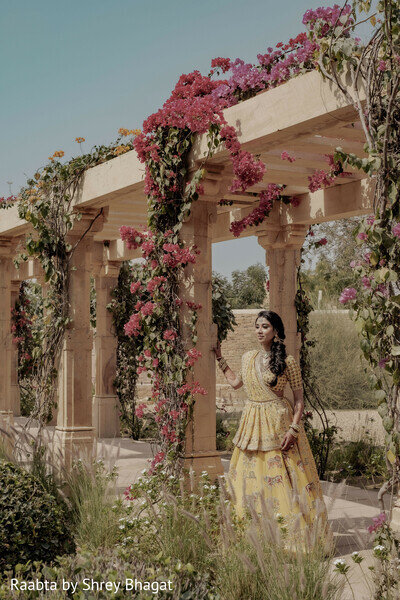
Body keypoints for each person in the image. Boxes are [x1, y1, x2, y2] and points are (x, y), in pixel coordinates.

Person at [213, 310, 332, 551]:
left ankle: (290, 541)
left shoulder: (288, 361)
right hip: (252, 423)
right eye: (257, 326)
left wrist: (294, 429)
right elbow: (236, 384)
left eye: (265, 326)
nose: (259, 330)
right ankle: (250, 536)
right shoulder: (248, 357)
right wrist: (220, 358)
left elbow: (299, 399)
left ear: (275, 331)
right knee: (250, 478)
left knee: (286, 479)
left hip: (279, 424)